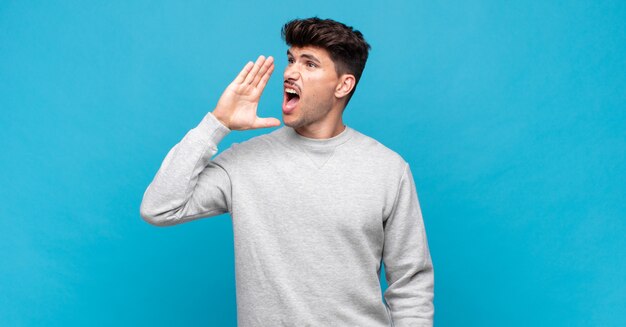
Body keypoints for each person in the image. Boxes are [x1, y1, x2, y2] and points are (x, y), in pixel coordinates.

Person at [140, 17, 434, 327]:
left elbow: (411, 285)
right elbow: (159, 208)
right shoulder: (245, 161)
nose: (290, 72)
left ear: (343, 84)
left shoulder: (387, 169)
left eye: (309, 65)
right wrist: (217, 123)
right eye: (291, 60)